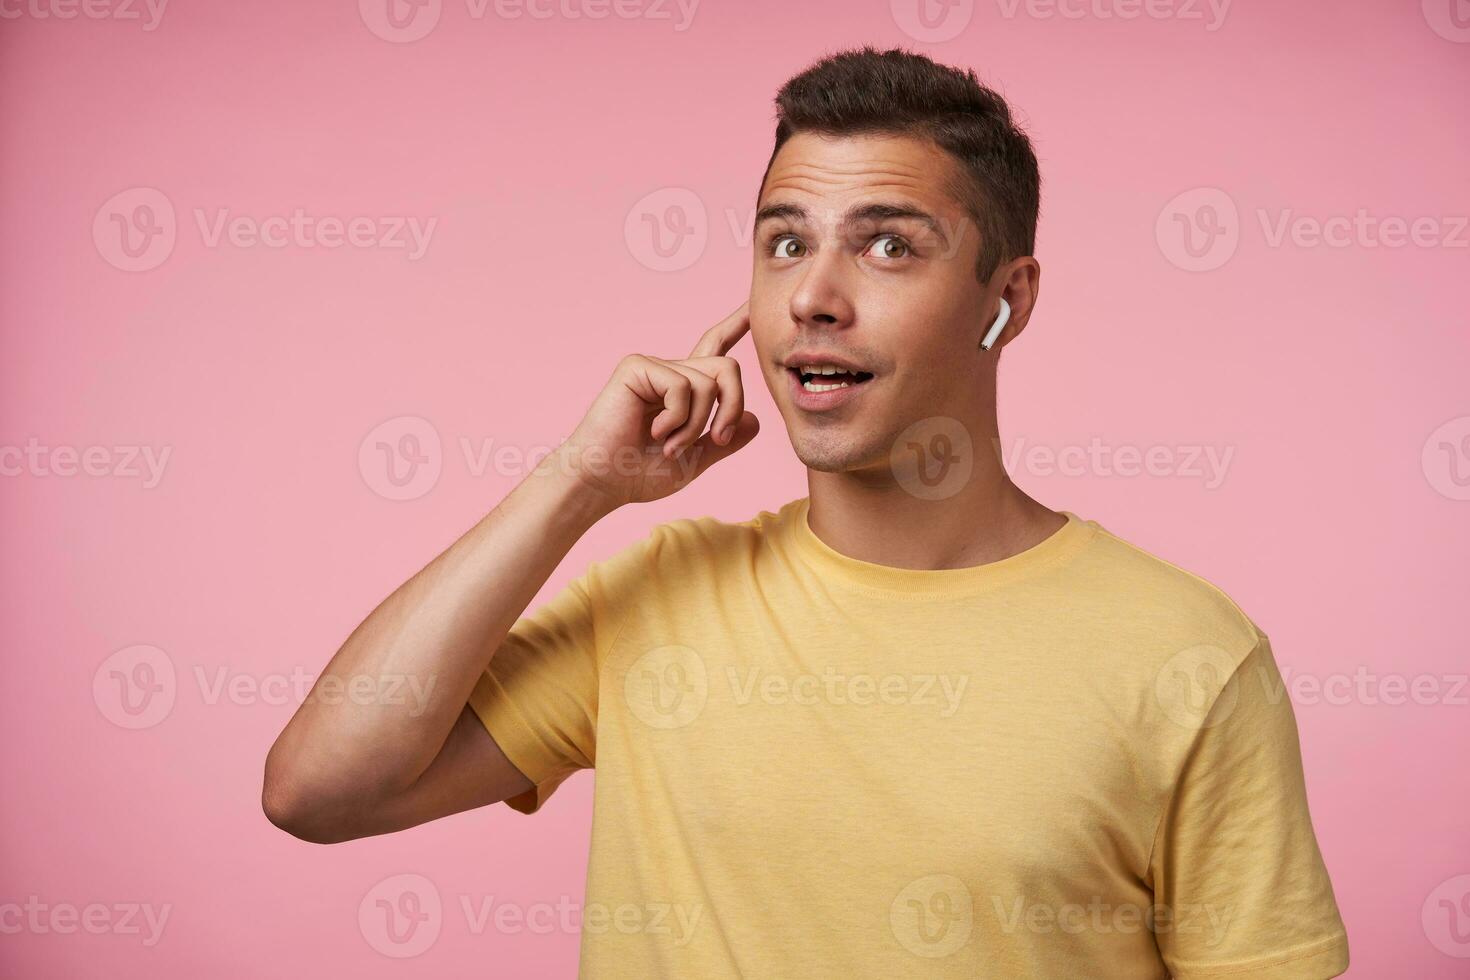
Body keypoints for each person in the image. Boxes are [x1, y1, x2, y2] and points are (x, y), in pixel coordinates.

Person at [263, 45, 1349, 978]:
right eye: (785, 241)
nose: (814, 296)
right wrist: (575, 485)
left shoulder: (1189, 652)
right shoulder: (656, 597)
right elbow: (318, 789)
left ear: (1005, 302)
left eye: (888, 245)